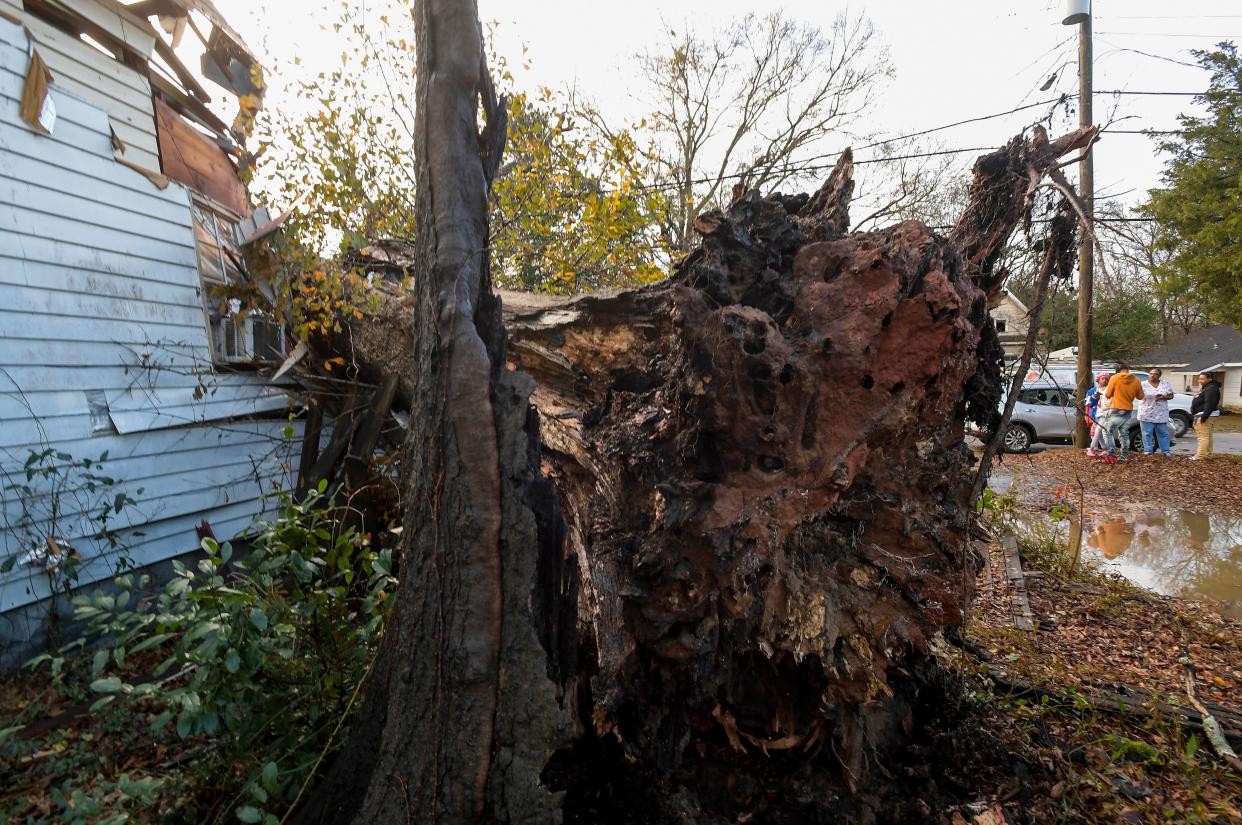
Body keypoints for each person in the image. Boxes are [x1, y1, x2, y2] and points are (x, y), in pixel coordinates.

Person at [1104, 363, 1145, 461]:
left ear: (1118, 371)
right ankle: (1124, 455)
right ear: (1127, 369)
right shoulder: (1136, 380)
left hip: (1116, 408)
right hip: (1128, 409)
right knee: (1124, 433)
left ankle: (1111, 454)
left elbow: (1108, 394)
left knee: (1108, 431)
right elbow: (1141, 397)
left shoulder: (1114, 378)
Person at [1136, 367, 1175, 456]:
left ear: (1159, 375)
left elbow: (1171, 395)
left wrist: (1164, 397)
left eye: (1155, 374)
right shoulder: (1142, 384)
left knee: (1163, 433)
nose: (1153, 376)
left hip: (1161, 412)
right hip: (1146, 412)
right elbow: (1137, 396)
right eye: (1151, 374)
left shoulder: (1165, 383)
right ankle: (1148, 451)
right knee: (1147, 433)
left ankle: (1165, 451)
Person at [1189, 371, 1221, 460]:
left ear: (1209, 379)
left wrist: (1204, 417)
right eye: (1199, 378)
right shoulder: (1207, 388)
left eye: (1202, 379)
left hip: (1205, 415)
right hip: (1205, 415)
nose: (1200, 381)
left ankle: (1200, 455)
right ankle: (1207, 454)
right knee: (1207, 435)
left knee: (1202, 436)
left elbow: (1209, 404)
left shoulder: (1211, 389)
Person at [1085, 371, 1113, 457]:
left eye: (1107, 379)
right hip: (1095, 414)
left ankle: (1091, 449)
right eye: (1102, 378)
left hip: (1106, 414)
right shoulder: (1092, 391)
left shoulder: (1110, 390)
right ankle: (1105, 449)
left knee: (1098, 431)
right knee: (1096, 433)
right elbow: (1088, 404)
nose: (1105, 380)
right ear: (1098, 380)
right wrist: (1094, 397)